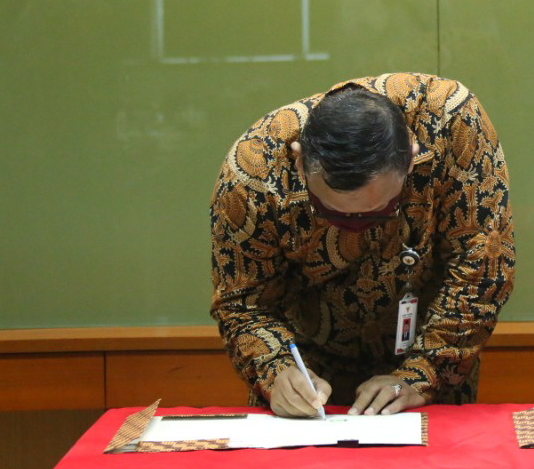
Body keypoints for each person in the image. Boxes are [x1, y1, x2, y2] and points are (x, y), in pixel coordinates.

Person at [211, 73, 514, 417]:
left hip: (435, 354)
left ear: (411, 159)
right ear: (299, 161)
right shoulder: (254, 168)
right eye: (332, 213)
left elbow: (482, 266)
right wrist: (276, 371)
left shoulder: (451, 121)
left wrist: (422, 374)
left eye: (379, 211)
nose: (356, 226)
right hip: (305, 378)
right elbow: (243, 303)